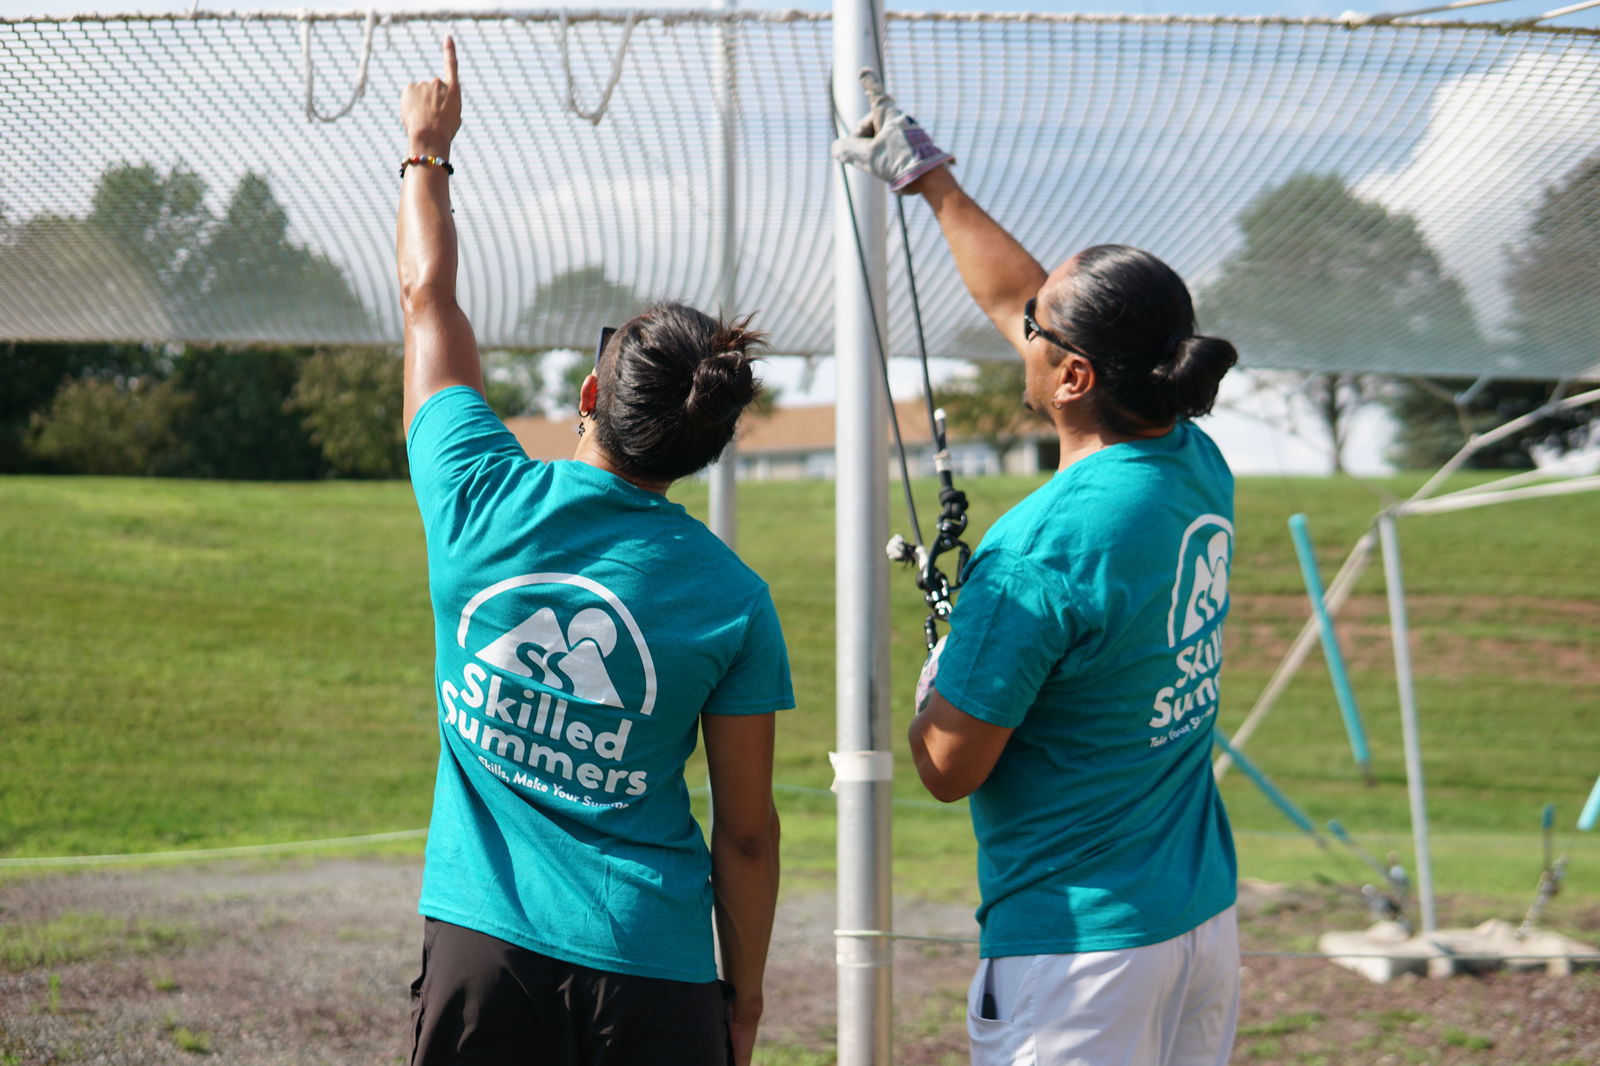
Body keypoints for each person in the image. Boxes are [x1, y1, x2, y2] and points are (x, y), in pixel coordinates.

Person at [834, 71, 1242, 1066]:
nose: (1019, 328)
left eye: (1037, 331)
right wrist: (929, 181)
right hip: (1196, 927)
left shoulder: (1037, 549)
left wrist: (941, 672)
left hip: (1077, 958)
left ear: (1073, 376)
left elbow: (947, 767)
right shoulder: (1194, 461)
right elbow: (1025, 300)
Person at [397, 39, 790, 1066]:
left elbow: (427, 301)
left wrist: (427, 151)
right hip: (657, 976)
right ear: (704, 448)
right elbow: (747, 833)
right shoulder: (734, 598)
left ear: (587, 395)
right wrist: (743, 999)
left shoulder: (476, 494)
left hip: (482, 958)